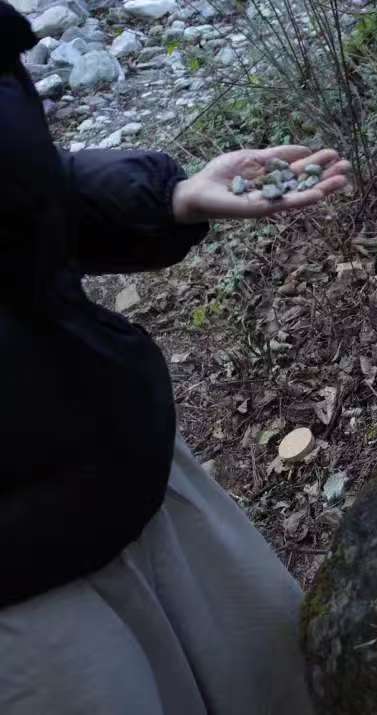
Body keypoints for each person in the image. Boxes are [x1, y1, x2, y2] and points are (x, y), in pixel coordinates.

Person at [1, 4, 351, 713]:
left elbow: (28, 190)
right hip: (23, 591)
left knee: (284, 673)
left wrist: (166, 195)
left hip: (120, 457)